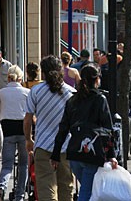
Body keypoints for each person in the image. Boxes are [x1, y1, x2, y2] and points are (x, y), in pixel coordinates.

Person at [50, 64, 118, 201]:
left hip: (74, 152)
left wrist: (56, 154)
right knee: (87, 191)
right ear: (97, 79)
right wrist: (112, 155)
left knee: (88, 188)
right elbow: (108, 129)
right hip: (92, 153)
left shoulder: (72, 101)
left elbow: (63, 128)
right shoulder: (100, 100)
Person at [24, 55, 76, 201]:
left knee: (46, 191)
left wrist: (28, 139)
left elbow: (28, 119)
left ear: (44, 73)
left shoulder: (35, 91)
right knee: (66, 189)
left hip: (43, 146)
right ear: (61, 71)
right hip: (66, 147)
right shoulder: (71, 93)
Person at [0, 65, 29, 201]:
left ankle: (2, 187)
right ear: (20, 78)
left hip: (7, 129)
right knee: (23, 164)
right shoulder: (27, 92)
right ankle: (19, 195)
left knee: (7, 164)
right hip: (23, 129)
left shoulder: (1, 92)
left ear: (8, 77)